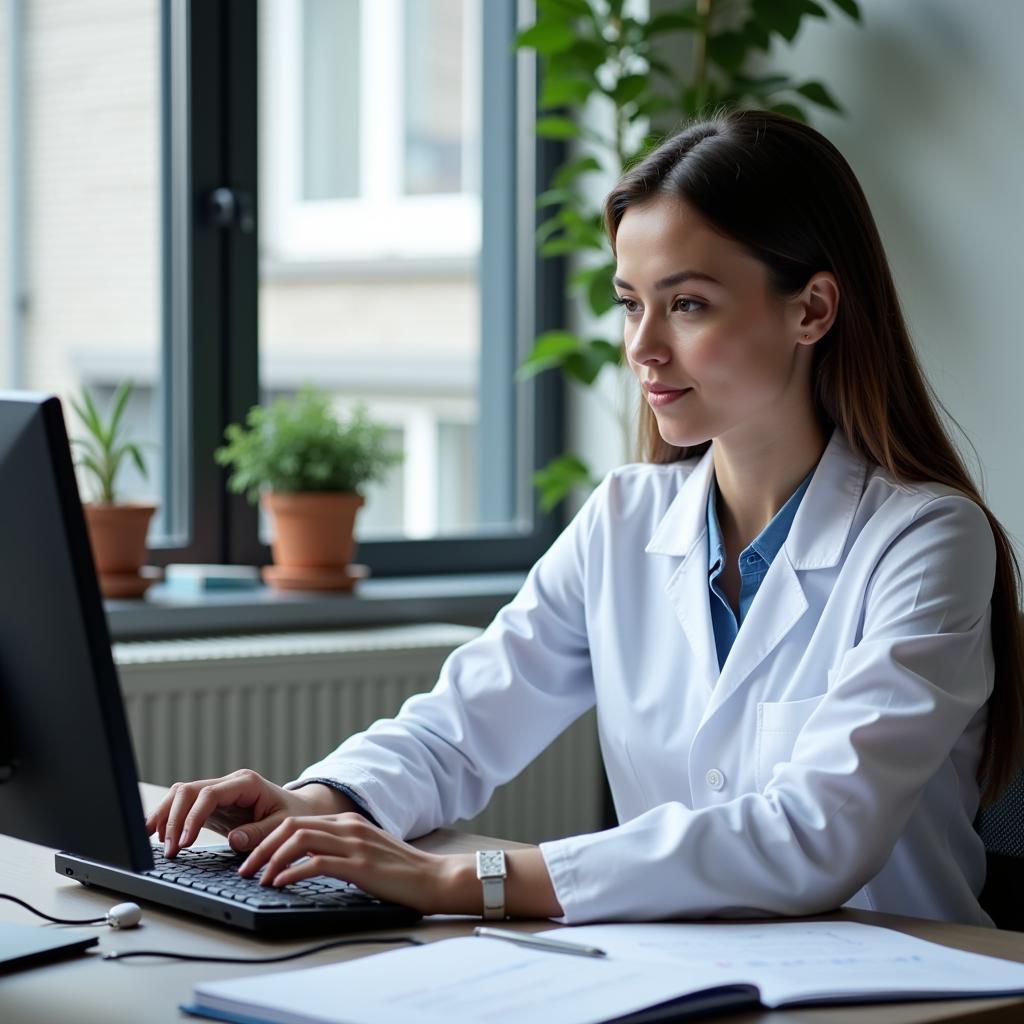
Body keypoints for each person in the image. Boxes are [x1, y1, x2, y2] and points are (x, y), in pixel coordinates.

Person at [147, 109, 1023, 927]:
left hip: (907, 993)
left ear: (812, 309)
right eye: (629, 302)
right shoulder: (624, 518)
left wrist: (459, 879)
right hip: (683, 978)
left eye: (687, 304)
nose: (642, 347)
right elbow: (460, 726)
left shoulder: (926, 541)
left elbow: (814, 834)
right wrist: (315, 804)